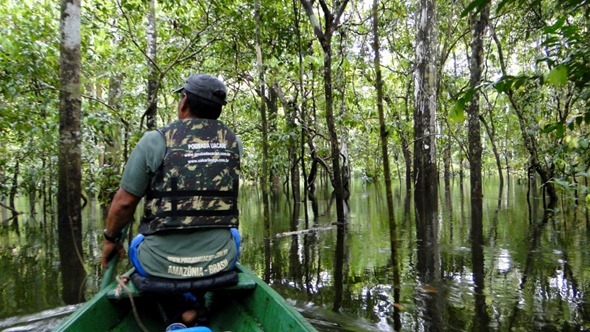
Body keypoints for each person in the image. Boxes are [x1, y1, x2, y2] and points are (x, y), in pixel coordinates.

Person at [101, 73, 241, 327]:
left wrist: (110, 239)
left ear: (184, 102)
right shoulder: (234, 143)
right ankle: (193, 306)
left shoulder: (155, 140)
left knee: (138, 244)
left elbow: (123, 204)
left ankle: (179, 311)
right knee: (235, 236)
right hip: (221, 260)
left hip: (160, 265)